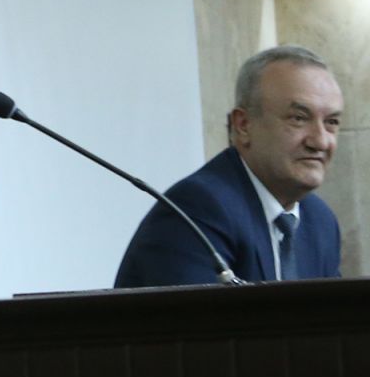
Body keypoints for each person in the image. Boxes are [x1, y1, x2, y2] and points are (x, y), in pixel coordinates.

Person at [115, 45, 343, 286]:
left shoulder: (320, 221)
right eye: (298, 118)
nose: (320, 141)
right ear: (243, 125)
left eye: (331, 122)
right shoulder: (199, 209)